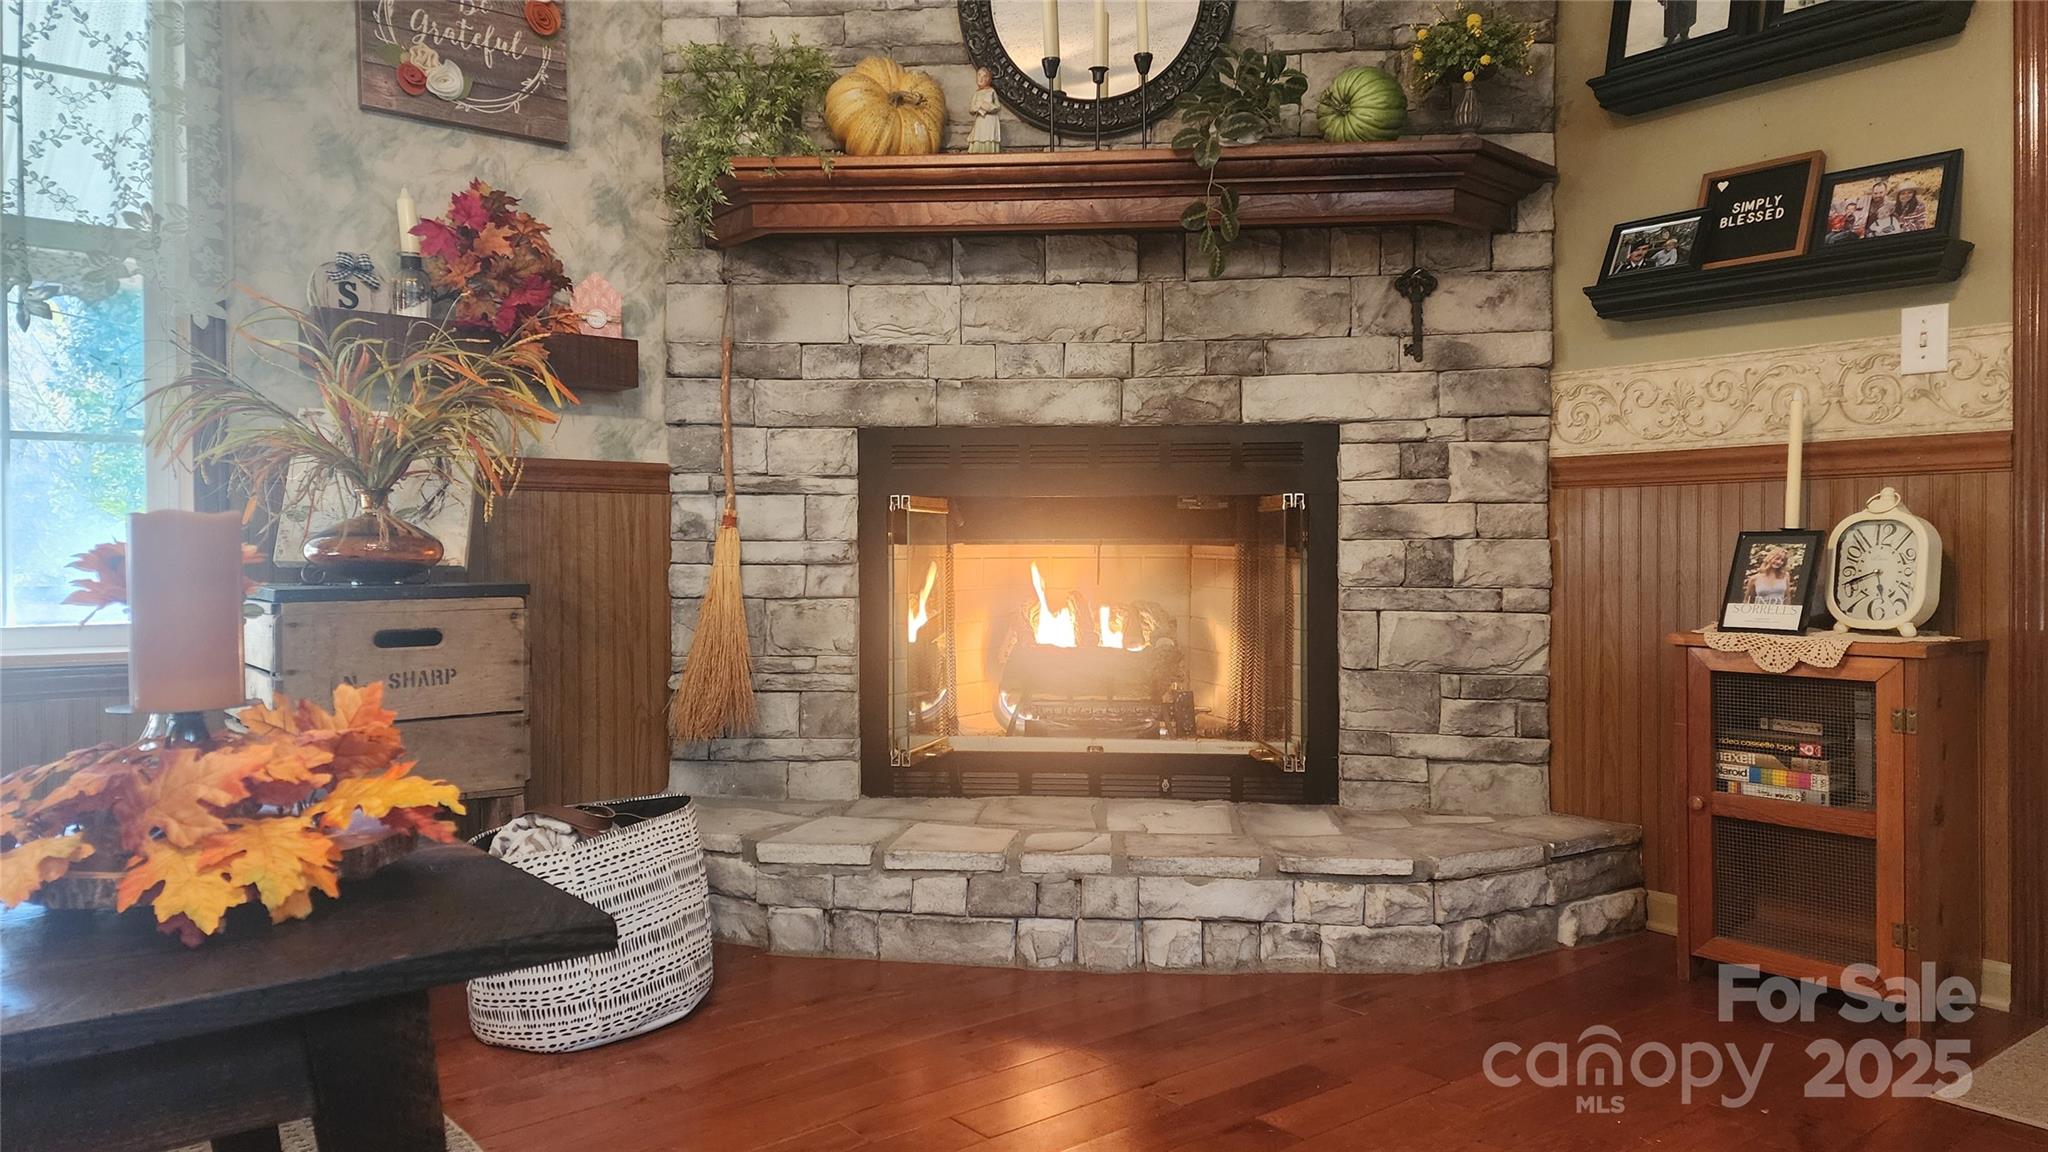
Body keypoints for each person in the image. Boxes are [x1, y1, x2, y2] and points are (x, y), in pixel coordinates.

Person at [969, 67, 1002, 154]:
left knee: (989, 137)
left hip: (990, 120)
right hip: (981, 120)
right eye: (979, 75)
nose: (980, 78)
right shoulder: (977, 93)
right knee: (979, 136)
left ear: (988, 79)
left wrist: (990, 107)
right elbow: (971, 109)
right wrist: (978, 107)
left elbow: (998, 106)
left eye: (983, 76)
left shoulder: (991, 91)